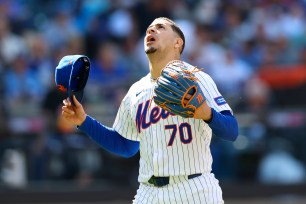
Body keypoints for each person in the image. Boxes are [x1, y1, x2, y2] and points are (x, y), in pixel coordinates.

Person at [62, 17, 238, 204]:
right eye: (148, 29)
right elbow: (126, 145)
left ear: (178, 42)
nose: (151, 31)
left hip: (194, 189)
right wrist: (84, 121)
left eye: (160, 27)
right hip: (148, 192)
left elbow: (232, 130)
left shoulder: (195, 77)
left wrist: (208, 114)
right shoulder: (136, 91)